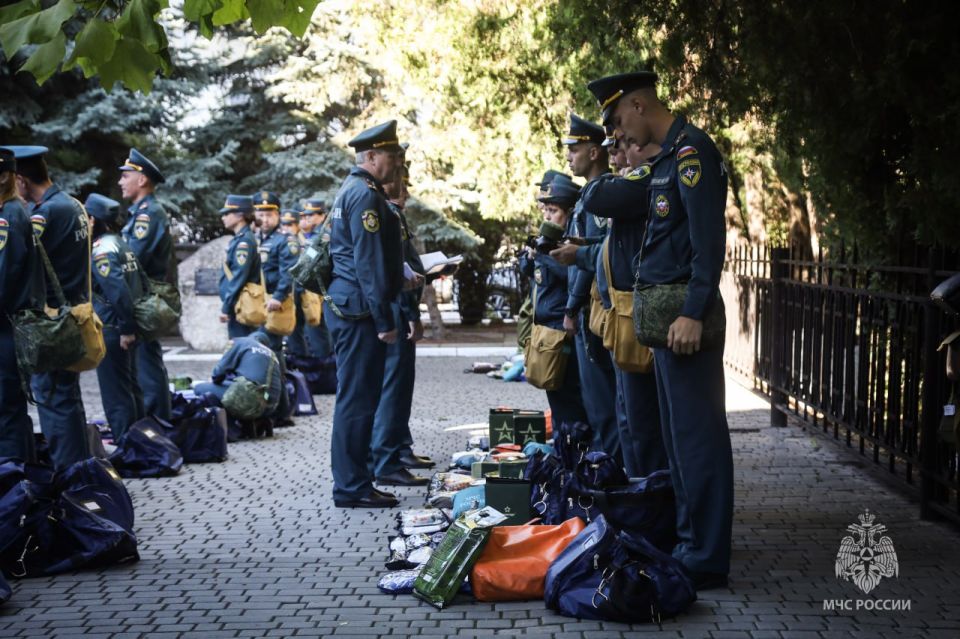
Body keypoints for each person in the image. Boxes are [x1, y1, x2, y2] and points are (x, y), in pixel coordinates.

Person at [588, 71, 732, 590]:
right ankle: (690, 542)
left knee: (699, 440)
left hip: (684, 320)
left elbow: (707, 241)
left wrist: (694, 311)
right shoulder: (668, 158)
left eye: (619, 120)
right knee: (678, 441)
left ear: (639, 103)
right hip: (667, 322)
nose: (618, 135)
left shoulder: (692, 153)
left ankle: (708, 555)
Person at [326, 120, 406, 509]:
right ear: (371, 157)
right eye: (391, 155)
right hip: (358, 312)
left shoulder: (353, 190)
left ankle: (357, 480)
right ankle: (352, 486)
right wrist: (385, 321)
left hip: (349, 307)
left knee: (356, 398)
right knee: (357, 402)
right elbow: (369, 265)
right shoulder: (366, 197)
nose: (396, 162)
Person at [579, 137, 669, 479]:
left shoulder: (641, 181)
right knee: (627, 416)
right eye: (613, 149)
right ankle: (636, 488)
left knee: (641, 422)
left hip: (637, 315)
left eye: (619, 147)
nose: (616, 157)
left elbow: (595, 196)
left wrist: (608, 171)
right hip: (622, 315)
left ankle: (650, 496)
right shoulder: (633, 184)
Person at [5, 145, 91, 470]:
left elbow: (23, 259)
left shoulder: (44, 213)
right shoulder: (72, 204)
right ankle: (82, 473)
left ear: (22, 181)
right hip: (72, 314)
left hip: (51, 320)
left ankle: (70, 478)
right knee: (67, 400)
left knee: (54, 402)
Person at [549, 113, 624, 464]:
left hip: (595, 309)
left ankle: (610, 471)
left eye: (575, 149)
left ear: (595, 152)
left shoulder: (601, 195)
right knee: (597, 400)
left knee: (602, 399)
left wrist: (571, 306)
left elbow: (594, 258)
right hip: (591, 307)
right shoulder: (590, 195)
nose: (569, 156)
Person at [371, 156, 433, 487]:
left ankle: (394, 452)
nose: (405, 189)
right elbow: (393, 271)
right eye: (400, 180)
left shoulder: (392, 215)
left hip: (398, 307)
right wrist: (410, 313)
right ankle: (386, 460)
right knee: (391, 391)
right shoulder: (385, 214)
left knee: (397, 390)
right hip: (394, 309)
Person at [519, 175, 589, 426]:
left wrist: (544, 256)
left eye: (554, 210)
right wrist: (530, 257)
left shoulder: (571, 242)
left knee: (570, 401)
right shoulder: (549, 239)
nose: (547, 216)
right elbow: (533, 274)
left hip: (563, 331)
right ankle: (564, 451)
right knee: (556, 399)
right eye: (545, 210)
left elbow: (571, 275)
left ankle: (575, 454)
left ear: (568, 213)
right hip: (546, 330)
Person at [118, 148, 173, 422]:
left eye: (125, 175)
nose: (120, 181)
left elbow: (131, 258)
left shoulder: (148, 214)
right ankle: (155, 423)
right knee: (145, 363)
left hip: (144, 298)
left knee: (147, 365)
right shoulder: (141, 212)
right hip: (140, 296)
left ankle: (158, 426)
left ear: (141, 180)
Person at [87, 193, 148, 440]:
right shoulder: (121, 243)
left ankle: (126, 446)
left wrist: (126, 328)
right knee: (132, 388)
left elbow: (117, 291)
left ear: (92, 220)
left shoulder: (101, 250)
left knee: (116, 394)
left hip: (113, 327)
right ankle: (140, 440)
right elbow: (142, 283)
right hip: (125, 324)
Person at [0, 148, 45, 462]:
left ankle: (14, 482)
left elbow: (4, 276)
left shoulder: (9, 215)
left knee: (6, 409)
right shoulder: (13, 211)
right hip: (11, 323)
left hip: (6, 326)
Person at [194, 332, 283, 418]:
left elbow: (217, 375)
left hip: (250, 403)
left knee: (199, 388)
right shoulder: (273, 355)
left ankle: (223, 422)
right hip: (270, 407)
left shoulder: (243, 342)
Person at [253, 191, 297, 354]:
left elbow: (289, 272)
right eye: (261, 215)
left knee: (271, 347)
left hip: (274, 301)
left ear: (277, 215)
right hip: (256, 301)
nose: (265, 220)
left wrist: (278, 297)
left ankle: (277, 379)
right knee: (255, 347)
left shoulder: (285, 239)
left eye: (269, 215)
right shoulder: (254, 238)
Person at [218, 194, 262, 338]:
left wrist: (226, 306)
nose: (223, 217)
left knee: (242, 344)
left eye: (227, 213)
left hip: (241, 305)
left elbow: (238, 277)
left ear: (240, 215)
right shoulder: (240, 239)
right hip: (237, 304)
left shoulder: (244, 242)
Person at [298, 198, 334, 358]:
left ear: (322, 215)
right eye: (306, 215)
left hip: (322, 291)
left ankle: (325, 372)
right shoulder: (315, 233)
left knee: (320, 337)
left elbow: (311, 261)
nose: (307, 218)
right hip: (316, 290)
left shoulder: (323, 235)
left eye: (311, 215)